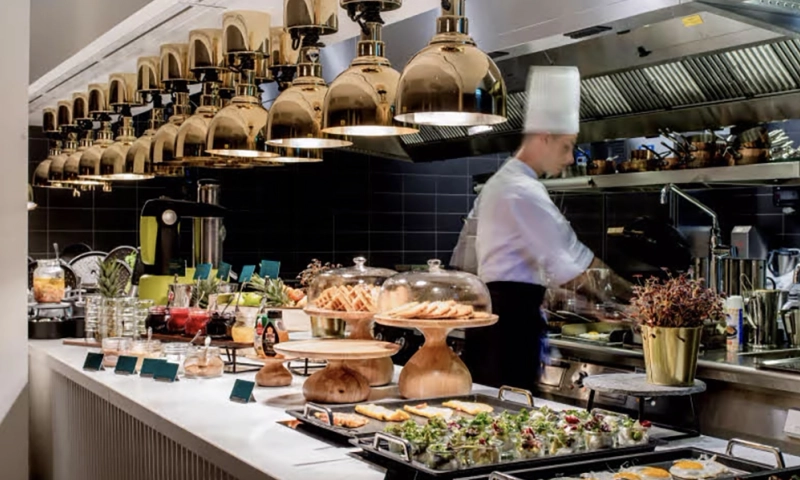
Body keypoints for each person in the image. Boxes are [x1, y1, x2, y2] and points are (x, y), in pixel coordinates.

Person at [462, 66, 631, 392]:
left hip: (498, 325)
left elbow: (538, 264)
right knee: (510, 412)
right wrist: (633, 297)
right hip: (508, 332)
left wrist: (581, 300)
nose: (569, 159)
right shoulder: (523, 190)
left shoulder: (502, 182)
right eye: (567, 146)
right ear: (545, 138)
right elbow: (579, 268)